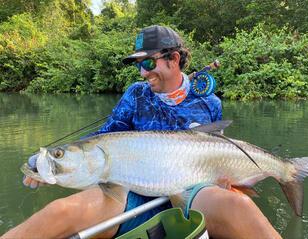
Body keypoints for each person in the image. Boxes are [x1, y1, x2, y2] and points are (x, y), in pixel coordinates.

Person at [1, 25, 281, 239]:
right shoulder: (136, 95)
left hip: (194, 190)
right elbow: (101, 141)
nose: (142, 73)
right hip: (130, 191)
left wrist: (226, 180)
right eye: (138, 65)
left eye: (147, 63)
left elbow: (217, 155)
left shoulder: (209, 103)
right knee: (59, 211)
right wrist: (56, 166)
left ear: (173, 58)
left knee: (240, 207)